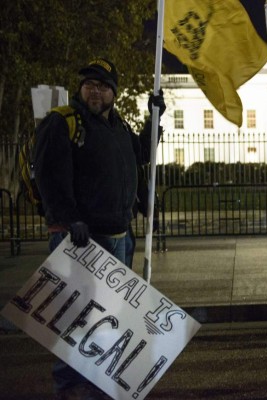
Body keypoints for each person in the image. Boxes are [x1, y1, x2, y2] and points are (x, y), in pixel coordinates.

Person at [34, 58, 165, 399]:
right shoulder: (63, 122)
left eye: (103, 86)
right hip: (80, 237)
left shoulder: (117, 127)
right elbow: (48, 175)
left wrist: (154, 119)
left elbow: (139, 156)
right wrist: (67, 218)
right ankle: (70, 385)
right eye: (90, 84)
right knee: (76, 316)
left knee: (107, 315)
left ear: (114, 94)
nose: (95, 90)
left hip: (118, 236)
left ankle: (97, 378)